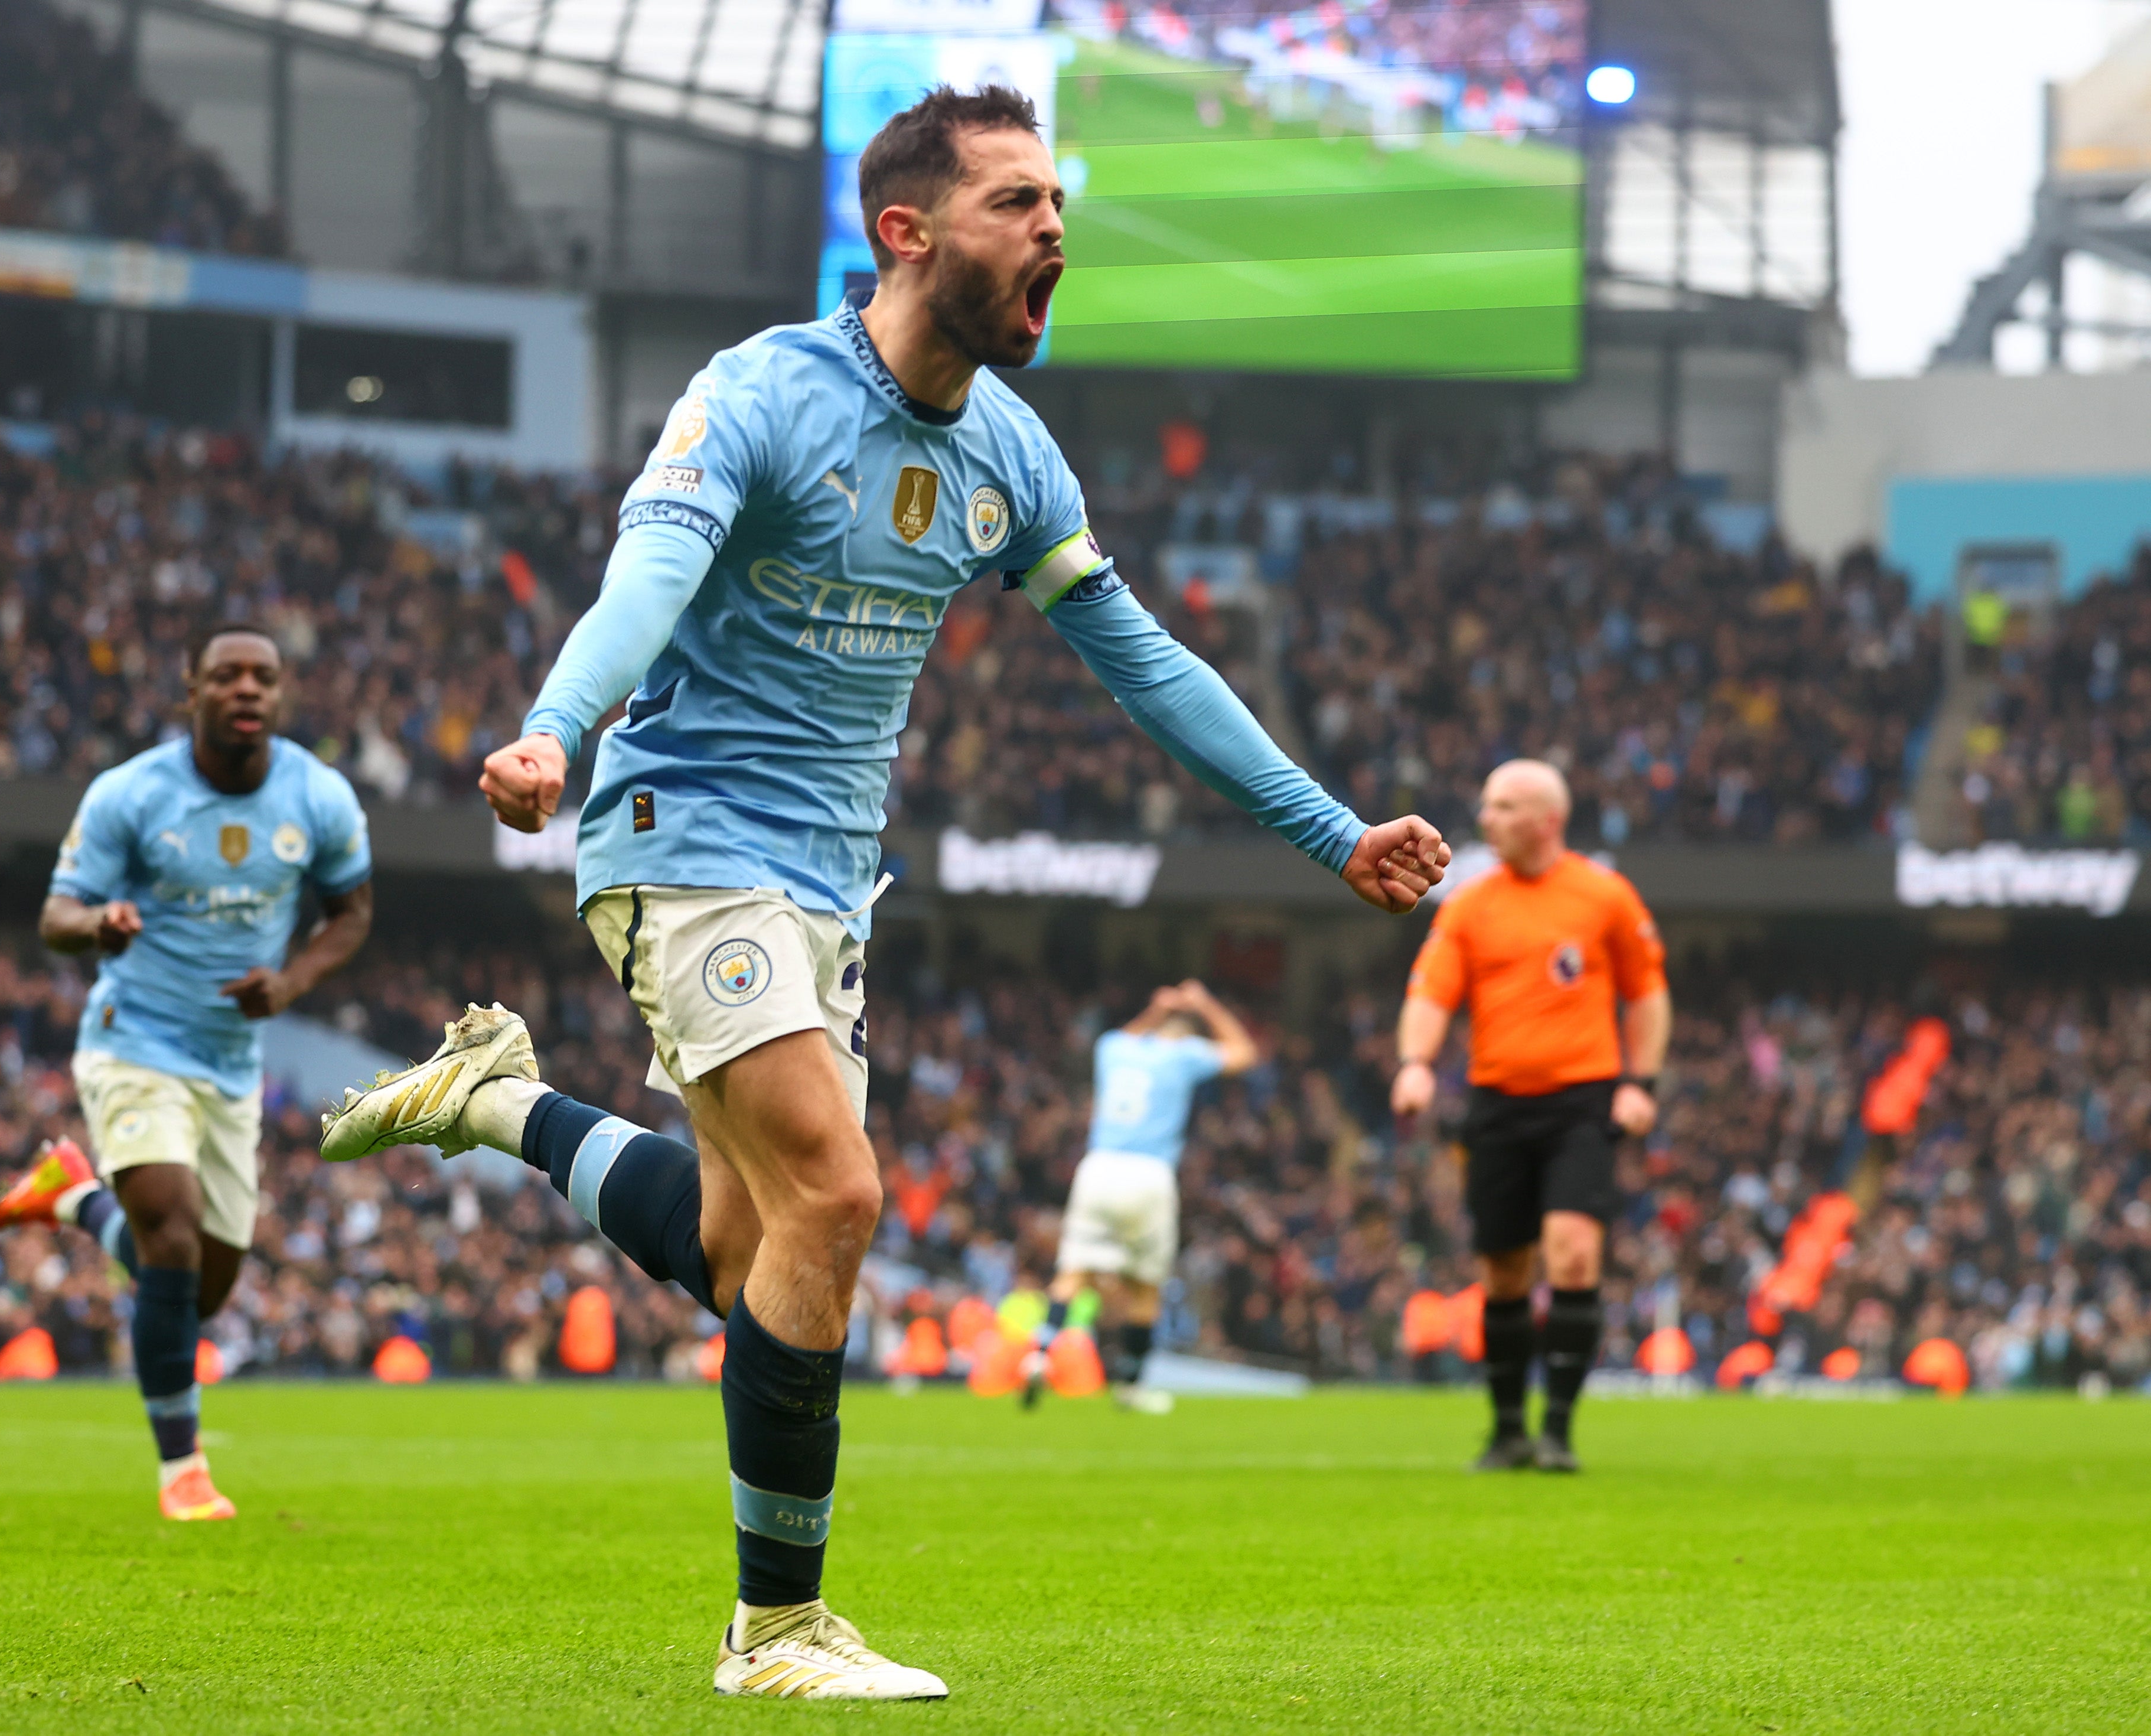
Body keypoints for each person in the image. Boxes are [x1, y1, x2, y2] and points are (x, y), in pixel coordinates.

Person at [320, 85, 1448, 1701]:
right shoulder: (761, 393)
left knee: (740, 1249)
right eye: (1015, 202)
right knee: (836, 1200)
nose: (1055, 225)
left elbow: (1142, 658)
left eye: (1058, 201)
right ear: (906, 234)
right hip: (687, 829)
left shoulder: (1011, 449)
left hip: (833, 880)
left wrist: (1329, 829)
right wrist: (556, 729)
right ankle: (775, 1630)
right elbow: (648, 574)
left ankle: (498, 1107)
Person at [0, 623, 371, 1520]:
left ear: (282, 694)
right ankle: (182, 1469)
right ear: (189, 690)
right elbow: (55, 914)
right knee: (167, 1229)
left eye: (264, 677)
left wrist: (293, 980)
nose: (248, 689)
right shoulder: (130, 793)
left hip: (231, 1061)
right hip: (136, 1038)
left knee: (203, 1283)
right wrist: (99, 924)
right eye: (228, 675)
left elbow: (351, 911)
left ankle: (74, 1197)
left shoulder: (318, 796)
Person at [1389, 759, 1667, 1473]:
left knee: (1574, 1253)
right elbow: (1430, 993)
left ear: (1547, 818)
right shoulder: (1470, 906)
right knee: (1504, 1270)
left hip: (1581, 1101)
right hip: (1498, 1104)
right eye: (1485, 805)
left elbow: (1646, 992)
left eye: (1503, 806)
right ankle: (1508, 1426)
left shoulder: (1604, 895)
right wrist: (1416, 1063)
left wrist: (1640, 1080)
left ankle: (1560, 1430)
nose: (1486, 819)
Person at [1022, 979, 1258, 1414]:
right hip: (1148, 1173)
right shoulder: (1184, 1056)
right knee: (1144, 1286)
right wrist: (1206, 1004)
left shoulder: (1115, 1048)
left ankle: (1039, 1353)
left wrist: (1156, 1008)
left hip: (1098, 1167)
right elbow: (1245, 1053)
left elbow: (1129, 1033)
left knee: (1074, 1272)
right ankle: (1130, 1387)